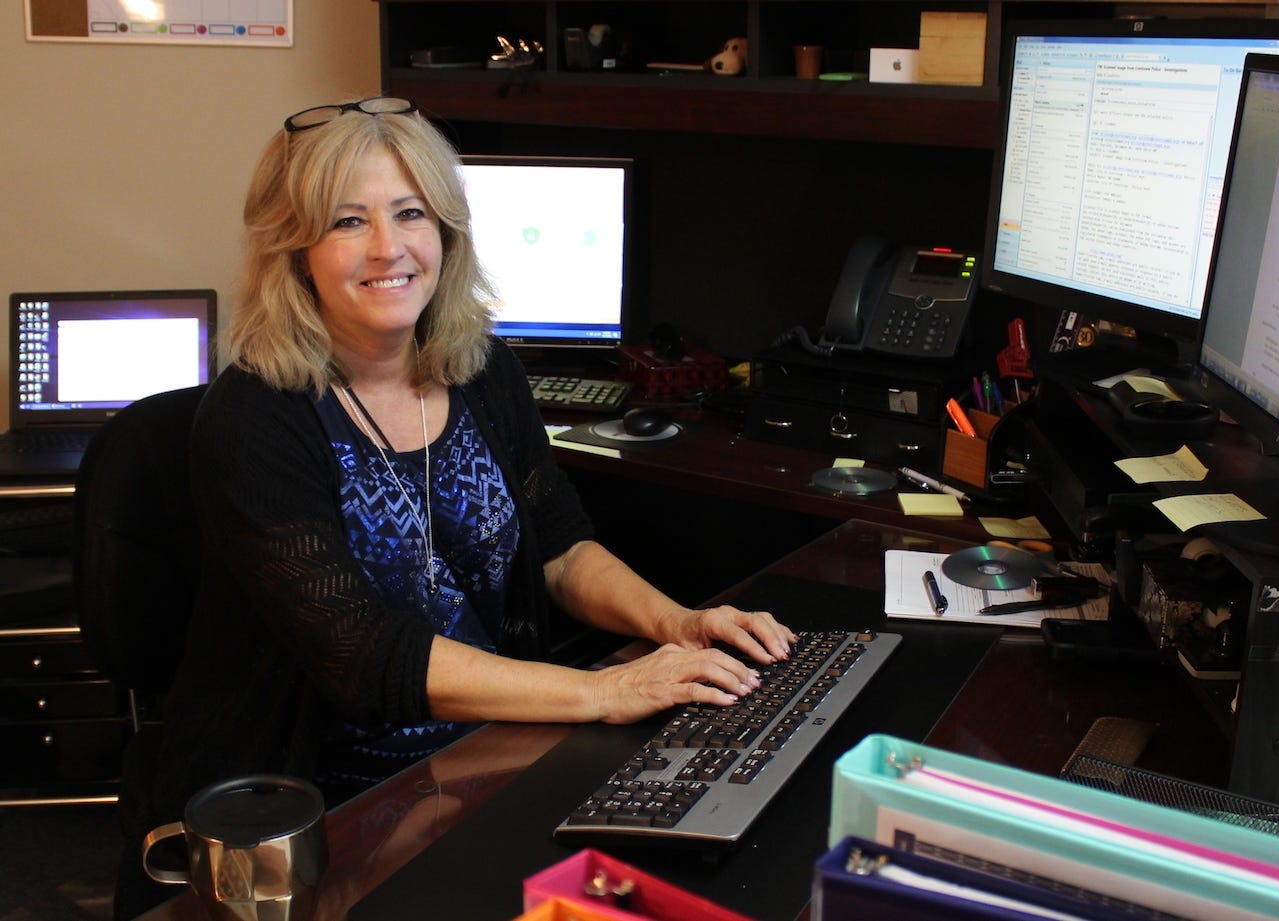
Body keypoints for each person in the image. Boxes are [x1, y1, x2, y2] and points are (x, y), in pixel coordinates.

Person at [113, 96, 795, 918]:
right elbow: (368, 659)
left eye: (410, 213)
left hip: (489, 745)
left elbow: (561, 548)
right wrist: (605, 691)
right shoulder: (254, 416)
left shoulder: (481, 368)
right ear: (295, 251)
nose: (388, 247)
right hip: (323, 810)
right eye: (348, 221)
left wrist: (677, 624)